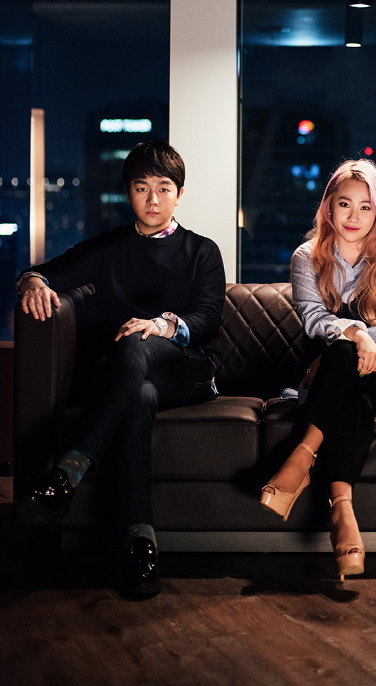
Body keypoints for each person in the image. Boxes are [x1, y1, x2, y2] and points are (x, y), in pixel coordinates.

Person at [18, 141, 225, 596]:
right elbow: (44, 272)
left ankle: (68, 470)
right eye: (141, 188)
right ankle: (141, 545)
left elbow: (209, 320)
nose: (153, 199)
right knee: (139, 394)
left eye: (164, 188)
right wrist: (32, 282)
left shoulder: (202, 251)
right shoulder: (109, 247)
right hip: (129, 377)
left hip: (187, 369)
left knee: (137, 342)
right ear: (129, 193)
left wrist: (161, 325)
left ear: (180, 194)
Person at [259, 159, 376, 580]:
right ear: (329, 207)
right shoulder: (308, 257)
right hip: (344, 374)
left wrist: (355, 336)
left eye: (365, 207)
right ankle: (343, 513)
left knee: (340, 352)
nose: (354, 216)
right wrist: (356, 334)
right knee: (350, 390)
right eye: (344, 204)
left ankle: (300, 459)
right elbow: (313, 321)